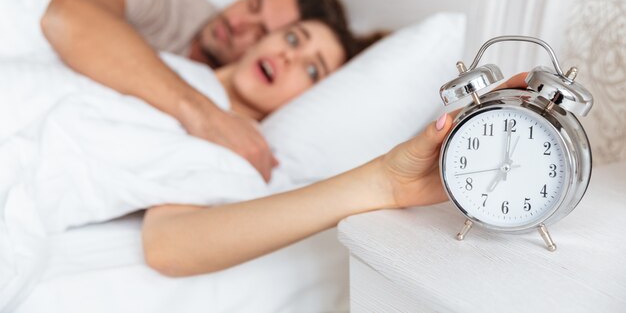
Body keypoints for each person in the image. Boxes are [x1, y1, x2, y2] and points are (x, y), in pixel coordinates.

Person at [142, 73, 529, 277]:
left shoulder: (238, 149)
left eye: (314, 70)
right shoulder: (189, 79)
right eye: (292, 36)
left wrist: (386, 182)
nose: (287, 56)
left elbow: (168, 244)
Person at [40, 0, 350, 180]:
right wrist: (200, 113)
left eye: (259, 32)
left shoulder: (243, 114)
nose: (238, 23)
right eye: (252, 5)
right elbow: (64, 16)